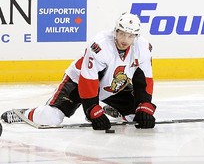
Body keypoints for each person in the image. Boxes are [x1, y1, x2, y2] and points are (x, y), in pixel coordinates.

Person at [1, 12, 156, 130]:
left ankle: (113, 109)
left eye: (130, 36)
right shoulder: (100, 45)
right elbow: (87, 80)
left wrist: (144, 105)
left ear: (136, 36)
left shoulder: (143, 48)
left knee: (137, 115)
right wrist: (92, 110)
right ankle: (23, 114)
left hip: (111, 85)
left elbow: (144, 80)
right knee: (51, 118)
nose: (124, 39)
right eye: (121, 33)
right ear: (115, 31)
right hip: (78, 81)